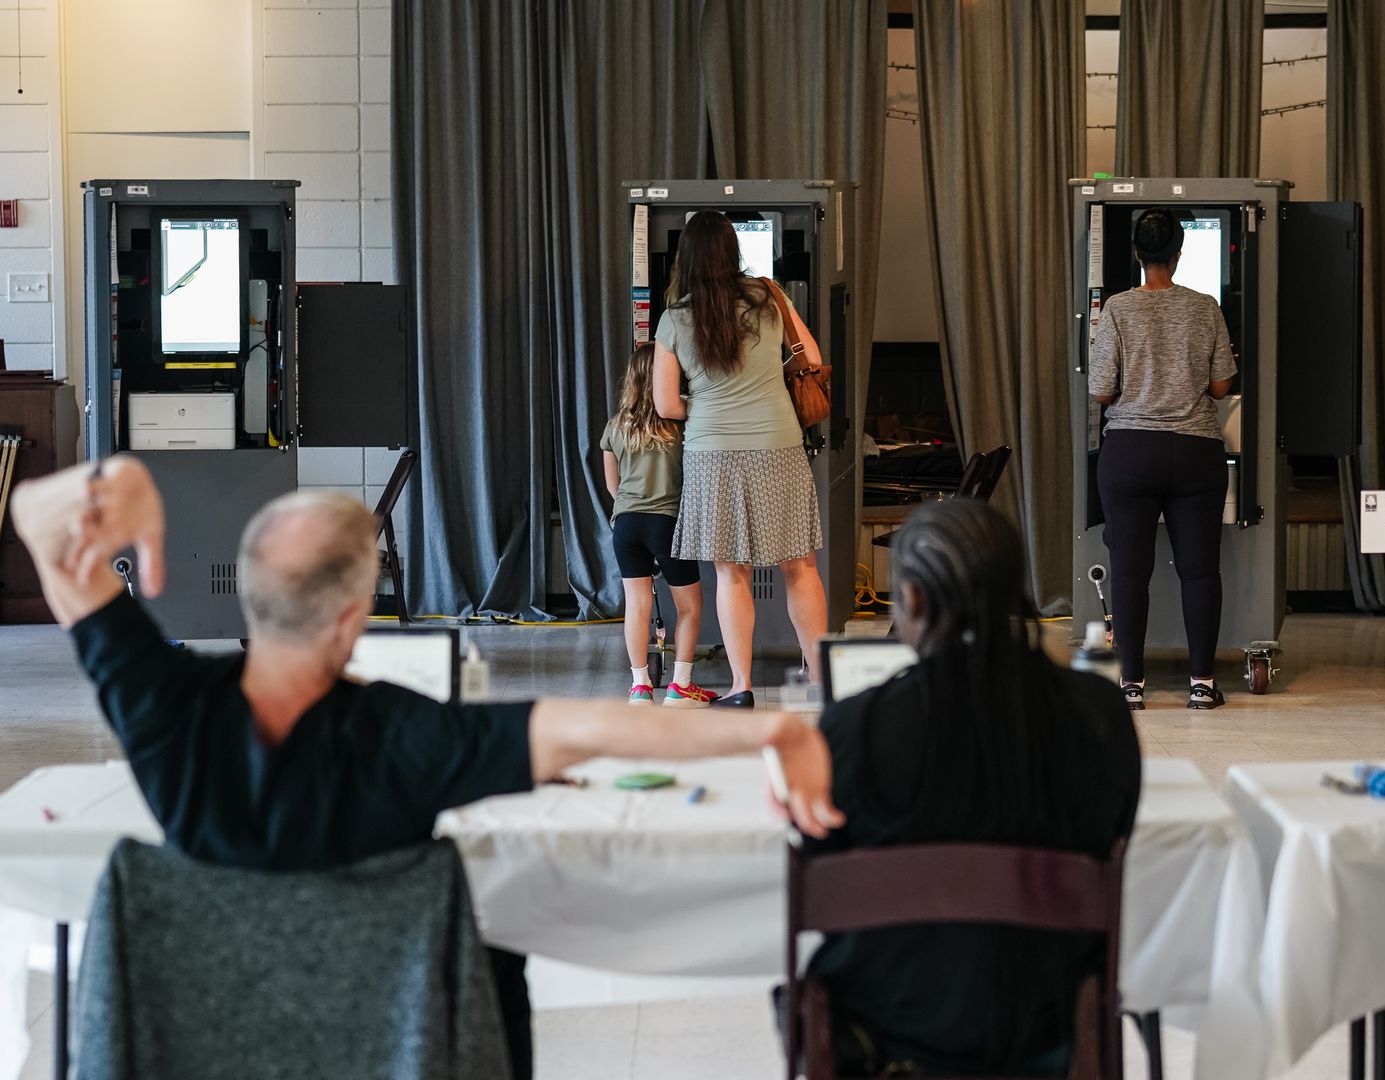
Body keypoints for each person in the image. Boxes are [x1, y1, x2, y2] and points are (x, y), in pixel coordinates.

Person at [8, 456, 842, 1080]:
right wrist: (775, 735)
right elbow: (602, 728)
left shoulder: (163, 711)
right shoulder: (410, 741)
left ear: (251, 591)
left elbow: (35, 519)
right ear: (351, 616)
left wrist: (117, 483)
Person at [798, 499, 1141, 1076]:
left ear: (910, 600)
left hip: (885, 1026)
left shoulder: (853, 727)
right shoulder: (1100, 712)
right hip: (1045, 1020)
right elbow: (1113, 832)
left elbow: (826, 871)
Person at [653, 210, 827, 708]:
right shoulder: (770, 299)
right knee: (800, 565)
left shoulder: (674, 318)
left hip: (712, 453)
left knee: (732, 572)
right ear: (733, 252)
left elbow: (666, 405)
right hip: (779, 445)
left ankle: (741, 686)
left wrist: (710, 404)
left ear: (685, 258)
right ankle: (818, 679)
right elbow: (811, 359)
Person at [1088, 208, 1237, 711]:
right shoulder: (1205, 307)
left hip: (1130, 452)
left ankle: (1131, 685)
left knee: (1129, 571)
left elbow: (1101, 390)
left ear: (1136, 254)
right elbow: (1221, 387)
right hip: (1196, 451)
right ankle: (1201, 684)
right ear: (1179, 252)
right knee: (1200, 572)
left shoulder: (1117, 310)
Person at [602, 341, 713, 707]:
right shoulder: (680, 423)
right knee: (690, 606)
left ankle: (639, 687)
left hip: (626, 526)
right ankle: (681, 686)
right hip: (667, 523)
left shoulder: (616, 427)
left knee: (636, 606)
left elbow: (612, 486)